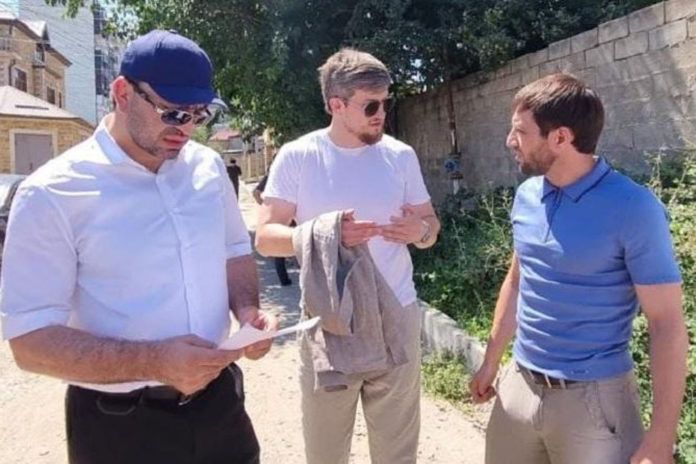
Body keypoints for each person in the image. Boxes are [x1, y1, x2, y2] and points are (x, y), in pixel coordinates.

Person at [0, 30, 278, 464]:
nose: (186, 129)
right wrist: (155, 361)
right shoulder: (51, 193)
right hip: (119, 426)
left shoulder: (206, 167)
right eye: (173, 113)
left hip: (220, 406)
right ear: (122, 93)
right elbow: (30, 343)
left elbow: (233, 250)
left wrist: (247, 312)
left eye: (199, 114)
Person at [469, 73, 688, 464]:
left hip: (594, 401)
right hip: (518, 386)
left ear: (560, 138)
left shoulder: (634, 208)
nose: (510, 141)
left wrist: (661, 437)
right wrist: (491, 362)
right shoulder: (527, 196)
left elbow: (667, 323)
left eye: (520, 131)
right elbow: (518, 281)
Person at [256, 48, 441, 464]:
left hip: (397, 315)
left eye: (386, 103)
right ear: (336, 105)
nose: (382, 114)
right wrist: (327, 234)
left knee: (397, 453)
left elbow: (430, 224)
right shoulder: (299, 155)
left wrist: (421, 232)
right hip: (329, 320)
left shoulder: (400, 156)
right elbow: (266, 238)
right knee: (326, 452)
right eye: (370, 105)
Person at [253, 173, 292, 286]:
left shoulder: (274, 171)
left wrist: (267, 207)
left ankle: (284, 279)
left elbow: (256, 193)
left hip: (279, 211)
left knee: (280, 243)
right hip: (297, 210)